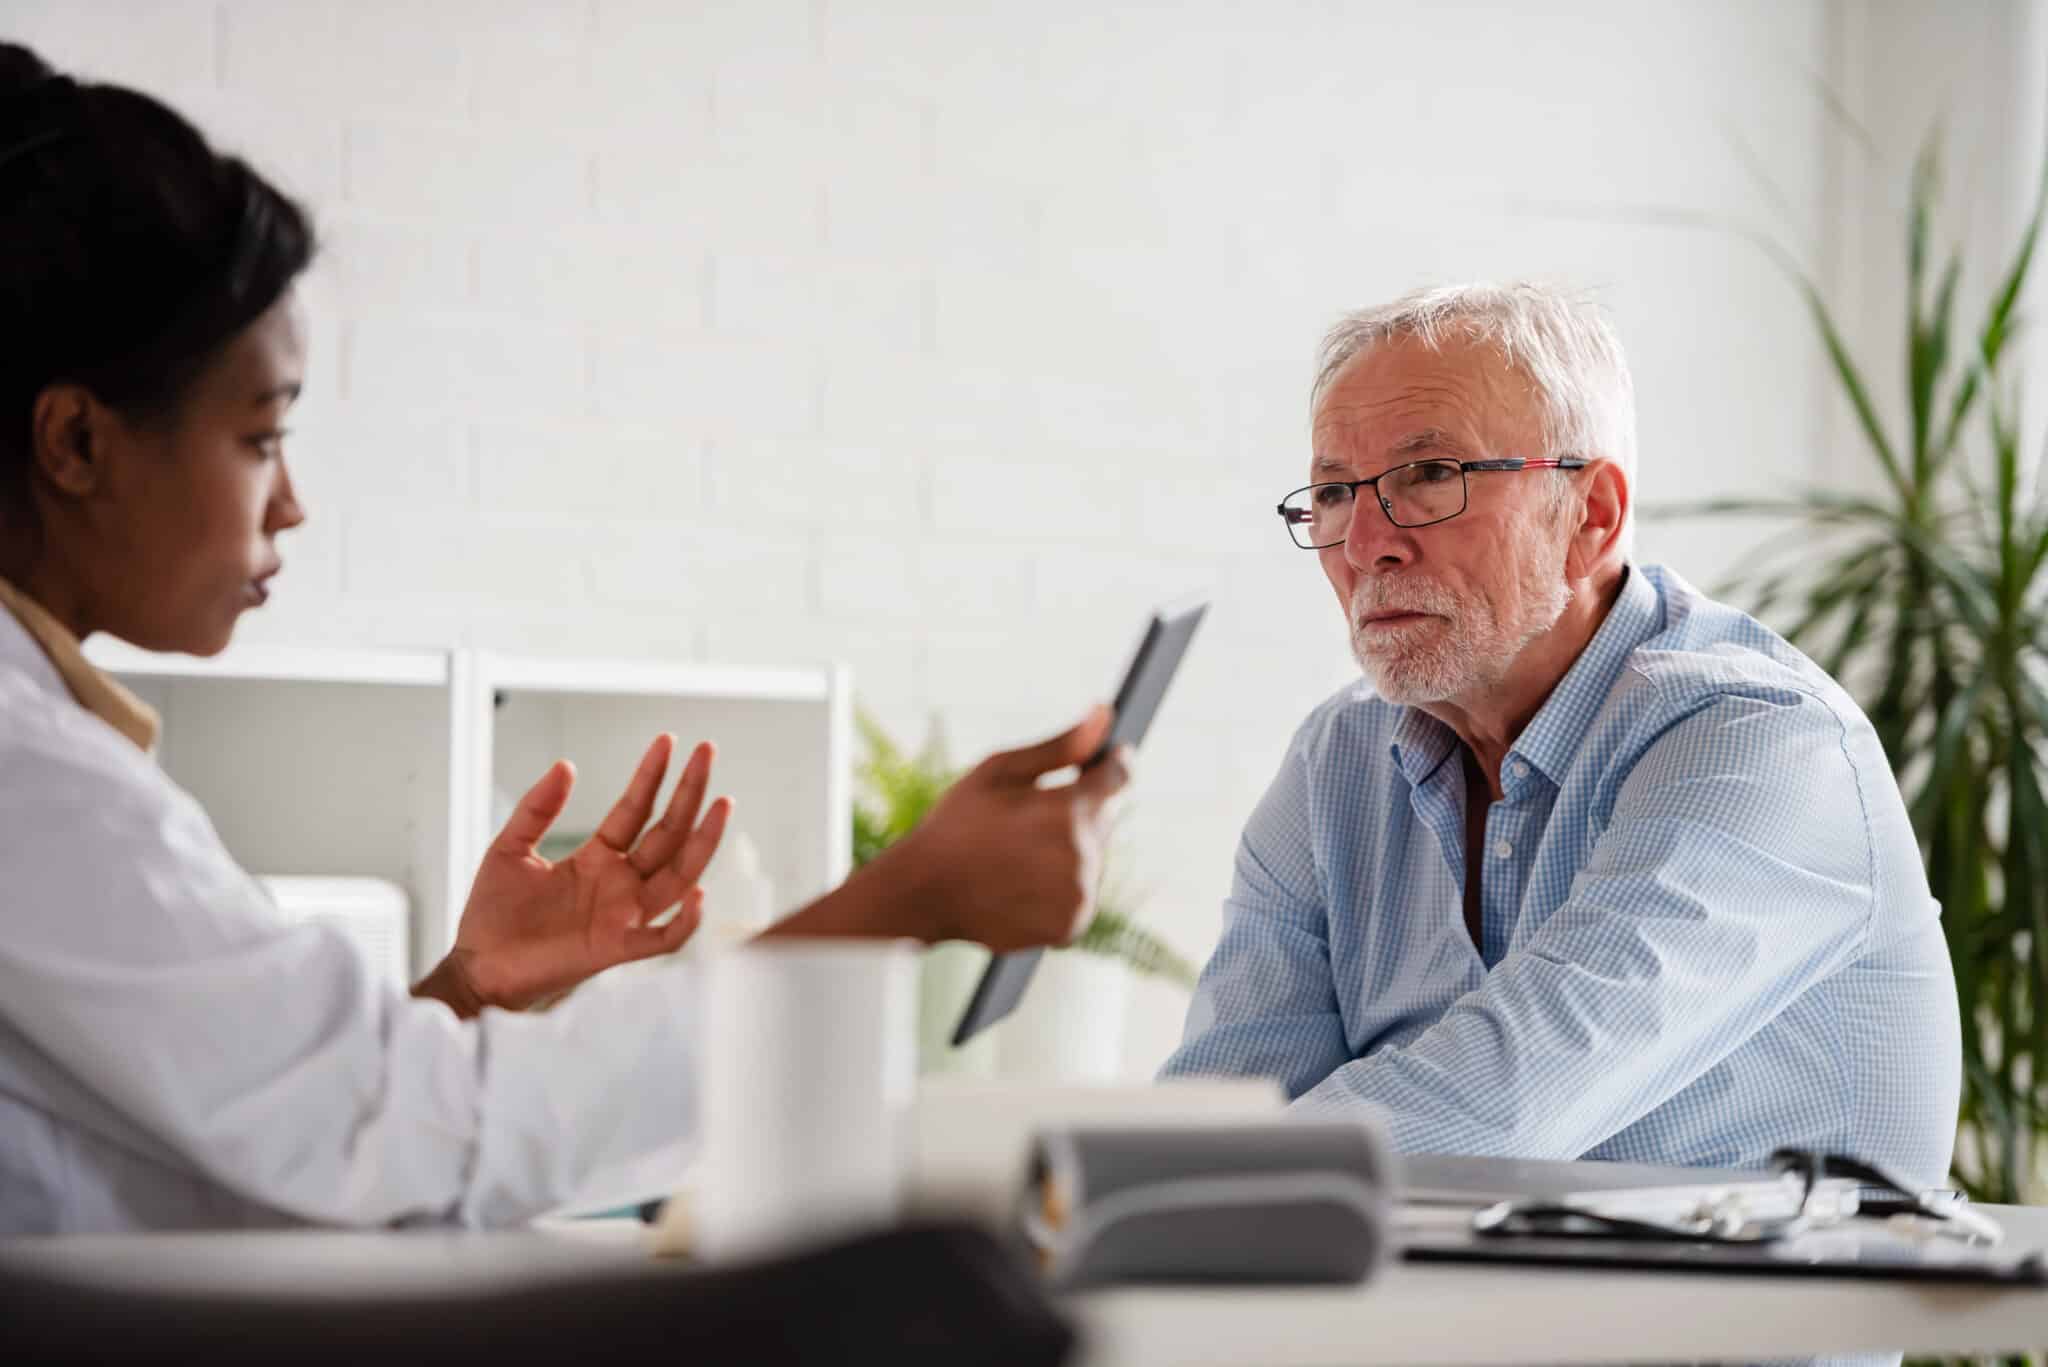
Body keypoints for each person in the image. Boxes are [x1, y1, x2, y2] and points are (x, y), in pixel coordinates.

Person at [0, 44, 1127, 1234]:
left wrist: (469, 988)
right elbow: (415, 1136)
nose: (290, 504)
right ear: (76, 442)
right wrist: (905, 898)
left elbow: (263, 1140)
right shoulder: (28, 775)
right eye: (260, 439)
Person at [1160, 282, 1963, 1188]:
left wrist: (1152, 1187)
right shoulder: (1336, 761)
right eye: (1337, 491)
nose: (1366, 543)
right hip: (1405, 1328)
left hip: (1677, 1332)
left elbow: (1501, 1104)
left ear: (1592, 515)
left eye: (1431, 476)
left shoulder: (1764, 744)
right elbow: (1231, 1095)